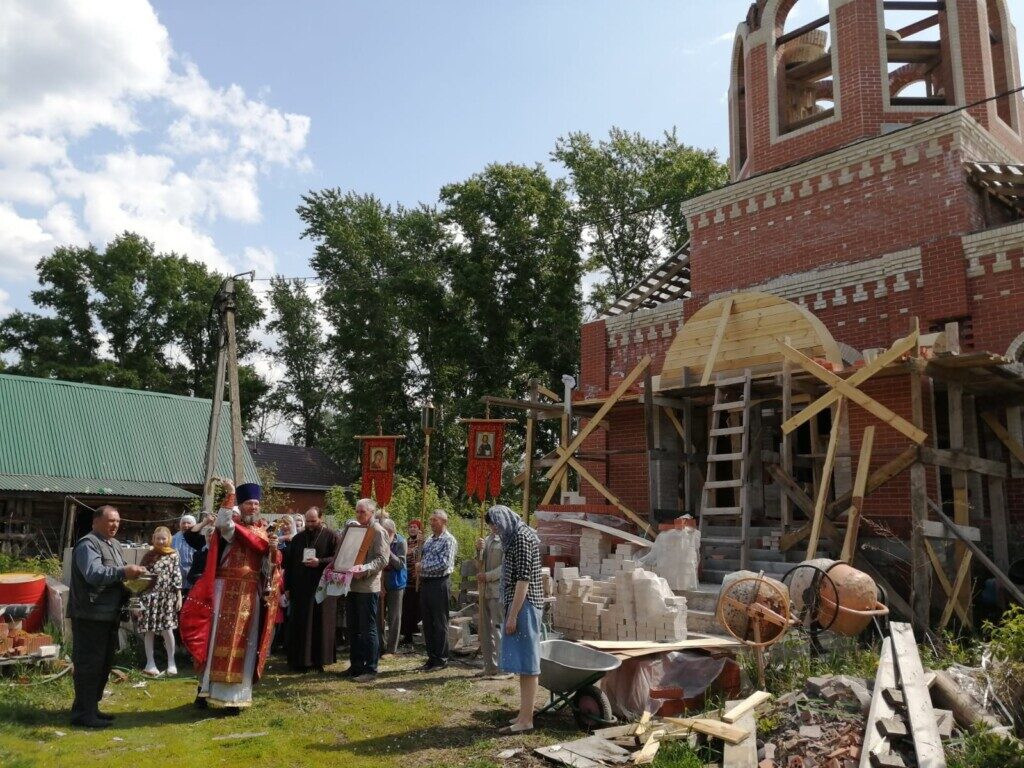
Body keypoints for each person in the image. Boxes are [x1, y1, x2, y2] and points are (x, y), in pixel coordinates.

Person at [180, 479, 281, 712]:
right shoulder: (233, 527)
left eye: (256, 504)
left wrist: (273, 551)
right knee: (216, 639)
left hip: (250, 595)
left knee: (246, 642)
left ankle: (236, 697)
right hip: (224, 589)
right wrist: (230, 494)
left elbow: (269, 569)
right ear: (241, 506)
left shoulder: (264, 532)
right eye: (248, 504)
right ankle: (206, 691)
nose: (252, 508)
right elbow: (223, 523)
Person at [68, 505, 147, 728]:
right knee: (89, 665)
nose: (115, 525)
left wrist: (134, 584)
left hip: (109, 614)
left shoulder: (114, 545)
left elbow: (118, 577)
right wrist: (124, 572)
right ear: (96, 522)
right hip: (89, 615)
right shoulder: (87, 544)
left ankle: (92, 708)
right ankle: (82, 714)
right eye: (110, 520)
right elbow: (93, 574)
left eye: (118, 521)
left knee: (103, 665)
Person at [488, 505, 544, 736]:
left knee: (528, 665)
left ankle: (526, 720)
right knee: (523, 665)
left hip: (525, 605)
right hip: (521, 604)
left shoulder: (521, 537)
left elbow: (523, 580)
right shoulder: (516, 535)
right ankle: (524, 713)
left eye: (497, 526)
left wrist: (512, 616)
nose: (496, 531)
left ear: (505, 521)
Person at [284, 507, 341, 672]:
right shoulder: (298, 538)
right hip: (300, 589)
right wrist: (287, 587)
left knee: (319, 624)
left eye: (313, 521)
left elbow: (337, 559)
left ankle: (318, 661)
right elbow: (289, 564)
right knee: (301, 624)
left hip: (322, 588)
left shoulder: (331, 536)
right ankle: (299, 661)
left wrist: (320, 561)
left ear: (321, 519)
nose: (309, 524)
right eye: (307, 521)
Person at [341, 498, 389, 682]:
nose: (359, 515)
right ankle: (356, 666)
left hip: (368, 587)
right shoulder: (356, 529)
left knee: (368, 628)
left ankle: (370, 669)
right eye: (357, 511)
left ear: (371, 513)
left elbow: (382, 559)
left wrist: (365, 569)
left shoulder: (377, 531)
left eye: (362, 512)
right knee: (353, 628)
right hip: (352, 584)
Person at [137, 526, 182, 677]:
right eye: (158, 538)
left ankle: (171, 662)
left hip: (167, 596)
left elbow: (176, 574)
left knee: (167, 629)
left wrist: (179, 595)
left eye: (164, 538)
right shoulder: (148, 556)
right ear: (153, 539)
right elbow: (140, 578)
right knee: (148, 630)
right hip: (149, 597)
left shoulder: (174, 555)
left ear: (168, 539)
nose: (161, 541)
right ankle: (150, 663)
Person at [415, 509, 457, 671]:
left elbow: (444, 563)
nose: (432, 523)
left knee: (439, 622)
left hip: (439, 583)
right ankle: (431, 657)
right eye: (431, 520)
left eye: (435, 521)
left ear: (444, 522)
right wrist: (419, 546)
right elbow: (420, 557)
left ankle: (441, 658)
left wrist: (423, 566)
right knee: (427, 621)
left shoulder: (448, 540)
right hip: (426, 583)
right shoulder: (429, 540)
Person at [476, 521, 505, 678]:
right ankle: (490, 666)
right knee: (486, 630)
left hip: (498, 591)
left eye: (496, 522)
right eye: (491, 523)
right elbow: (480, 562)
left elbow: (505, 567)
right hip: (485, 591)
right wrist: (479, 549)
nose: (493, 526)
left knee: (498, 630)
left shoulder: (506, 540)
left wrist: (487, 576)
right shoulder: (487, 540)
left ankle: (504, 667)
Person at [381, 518, 407, 655]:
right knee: (379, 616)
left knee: (394, 617)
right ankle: (381, 646)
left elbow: (400, 564)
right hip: (381, 582)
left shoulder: (401, 542)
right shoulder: (380, 540)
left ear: (390, 532)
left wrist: (388, 551)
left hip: (396, 583)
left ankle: (391, 650)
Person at [400, 519, 423, 647]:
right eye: (410, 527)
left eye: (414, 527)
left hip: (417, 581)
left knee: (417, 608)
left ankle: (418, 633)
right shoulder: (405, 542)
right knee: (406, 608)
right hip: (406, 580)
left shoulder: (422, 542)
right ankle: (407, 635)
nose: (412, 529)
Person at [172, 514, 196, 595]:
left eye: (189, 523)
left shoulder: (199, 538)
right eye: (183, 523)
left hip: (193, 573)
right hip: (178, 573)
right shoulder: (174, 538)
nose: (186, 525)